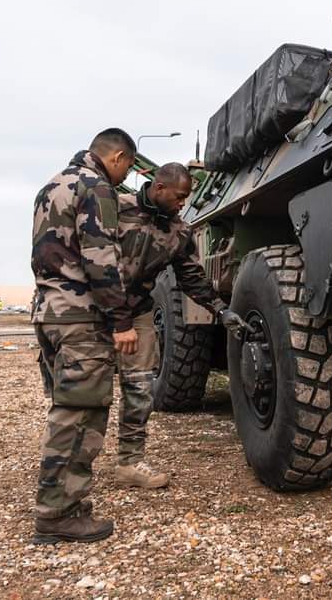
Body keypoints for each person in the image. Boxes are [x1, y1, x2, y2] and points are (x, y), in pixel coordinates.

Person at [30, 129, 137, 545]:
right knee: (80, 417)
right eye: (128, 167)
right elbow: (101, 259)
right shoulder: (96, 187)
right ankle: (57, 513)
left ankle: (63, 501)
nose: (125, 176)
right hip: (80, 318)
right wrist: (121, 320)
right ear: (118, 156)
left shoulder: (53, 185)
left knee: (67, 409)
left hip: (50, 313)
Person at [114, 163, 243, 488]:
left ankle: (130, 461)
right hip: (98, 309)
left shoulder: (179, 231)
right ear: (159, 188)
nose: (184, 203)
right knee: (90, 389)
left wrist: (221, 311)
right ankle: (73, 465)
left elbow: (192, 279)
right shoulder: (115, 209)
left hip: (139, 312)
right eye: (180, 196)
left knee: (140, 388)